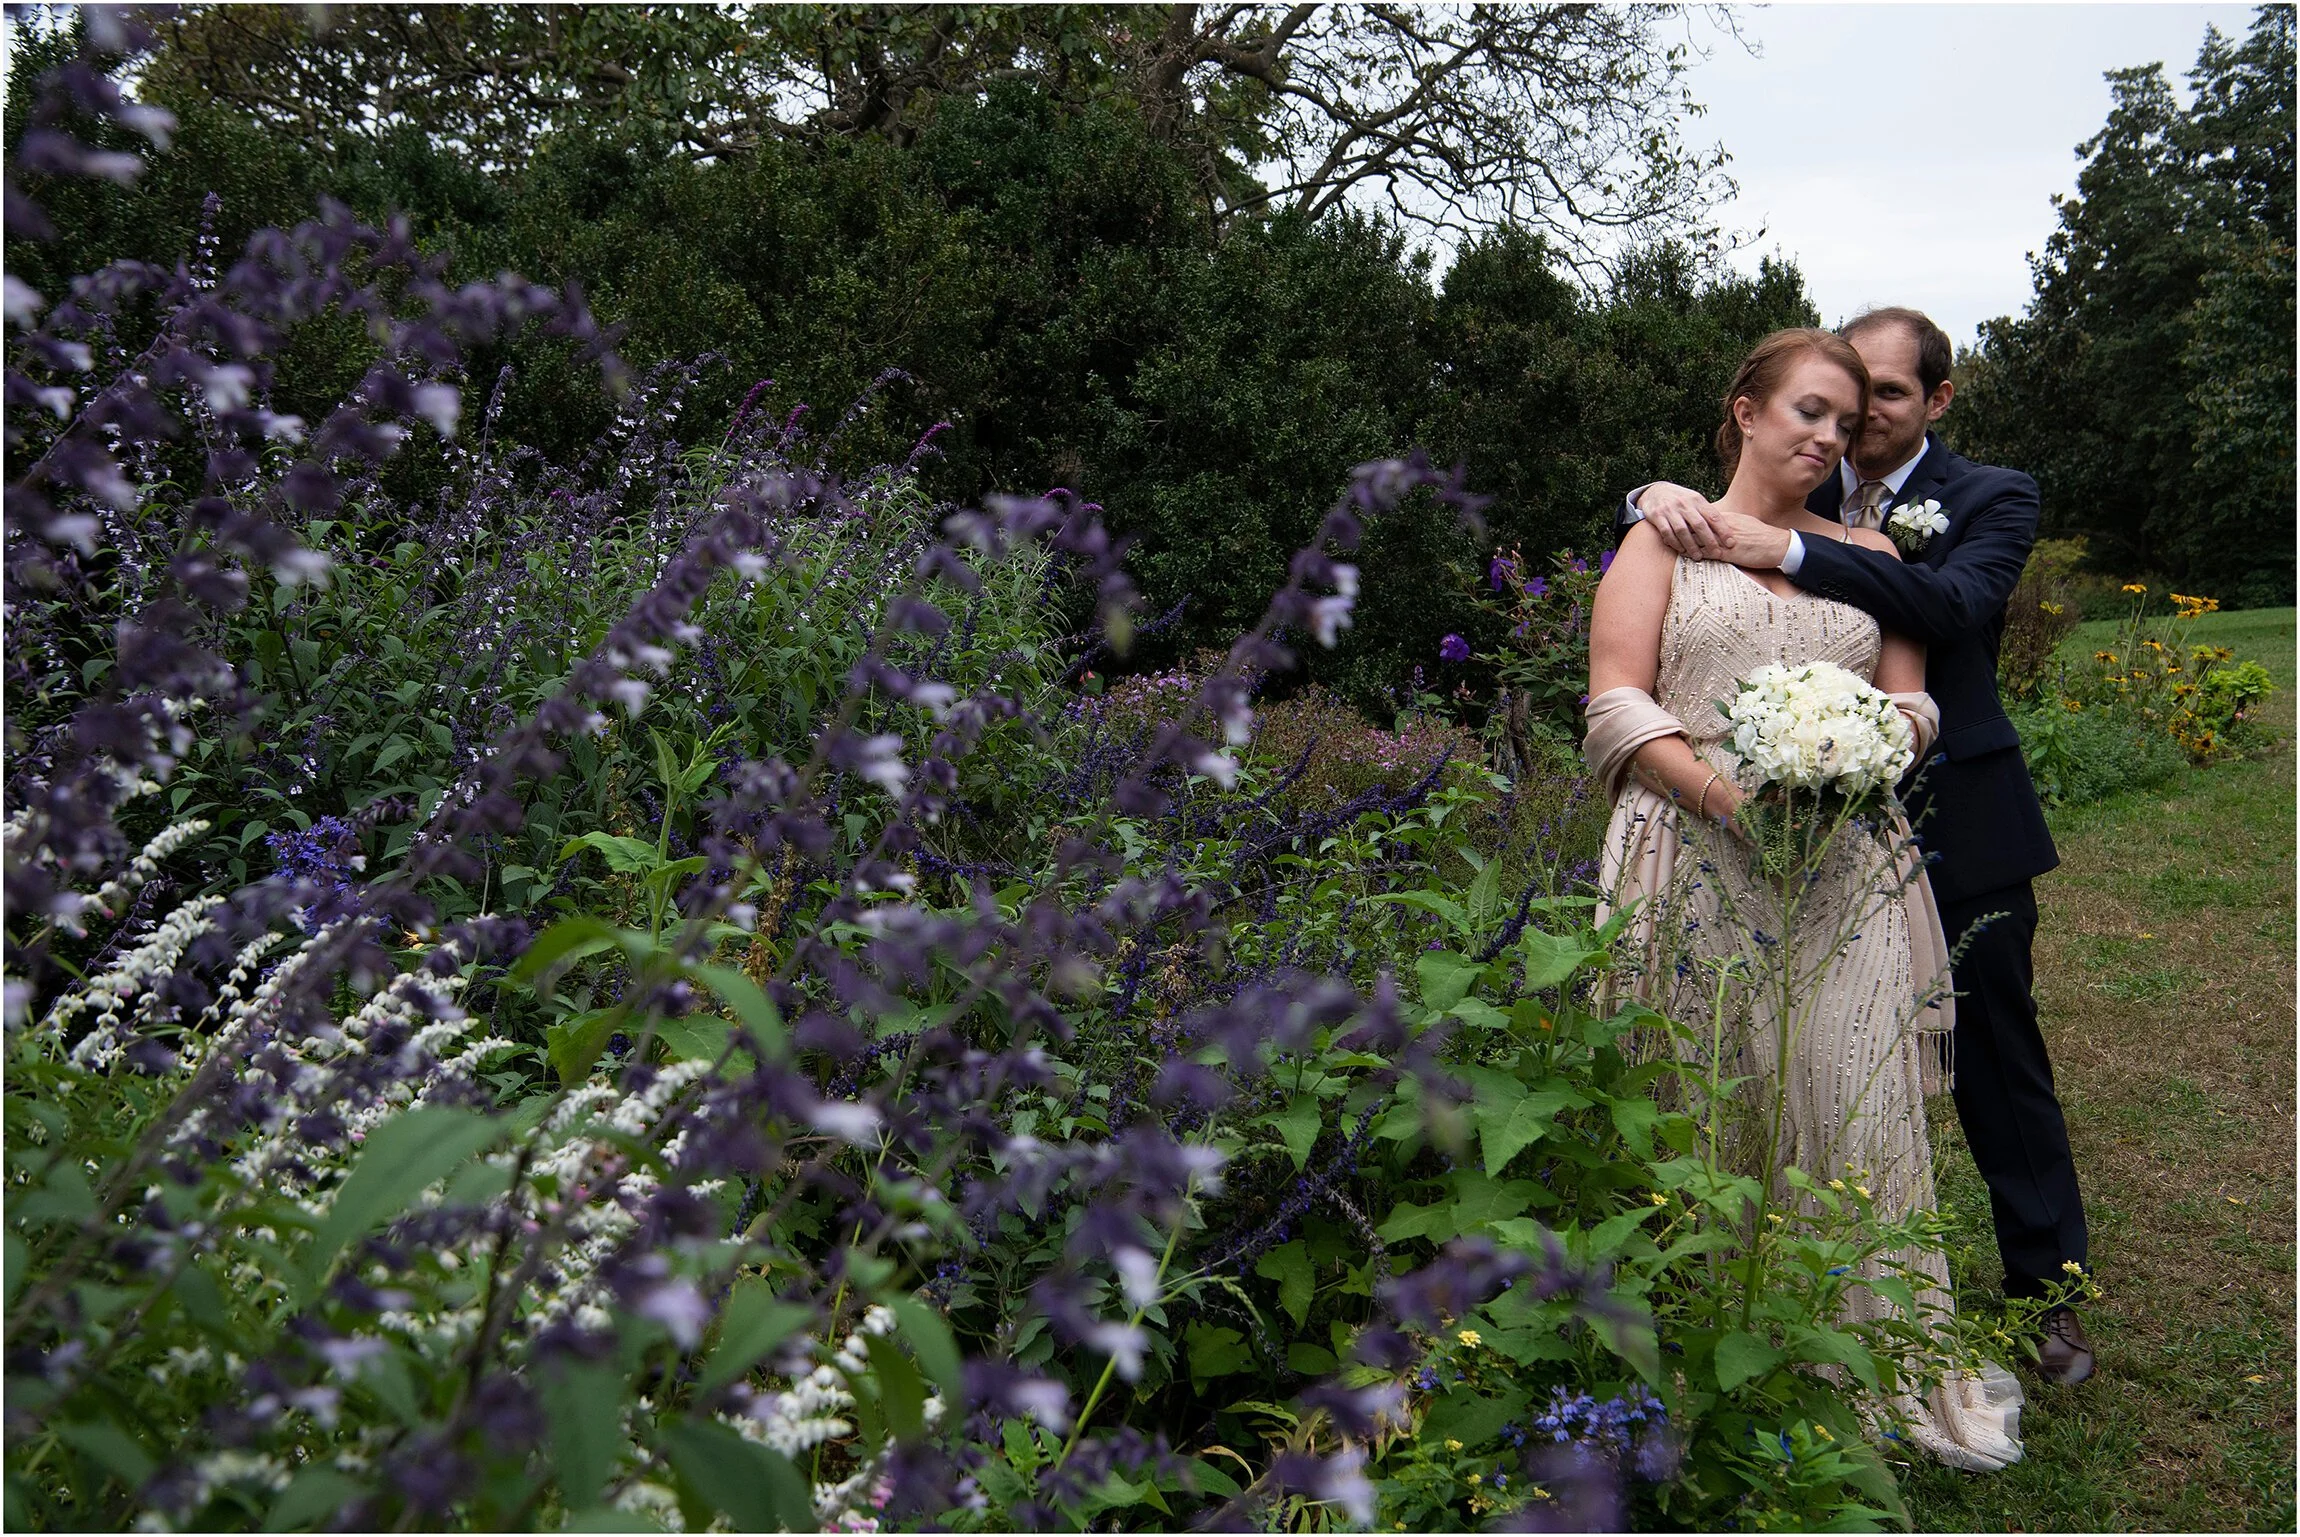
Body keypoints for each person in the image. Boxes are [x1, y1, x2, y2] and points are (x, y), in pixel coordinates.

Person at [1620, 308, 2091, 1388]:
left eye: (1884, 394)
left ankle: (2050, 1297)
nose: (1856, 418)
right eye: (1840, 396)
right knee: (1770, 1060)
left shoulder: (1990, 496)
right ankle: (1775, 1288)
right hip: (1767, 841)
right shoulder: (1804, 478)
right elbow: (1705, 513)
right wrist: (1646, 499)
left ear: (1933, 400)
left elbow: (1957, 604)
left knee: (1995, 1062)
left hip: (1952, 818)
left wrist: (1782, 548)